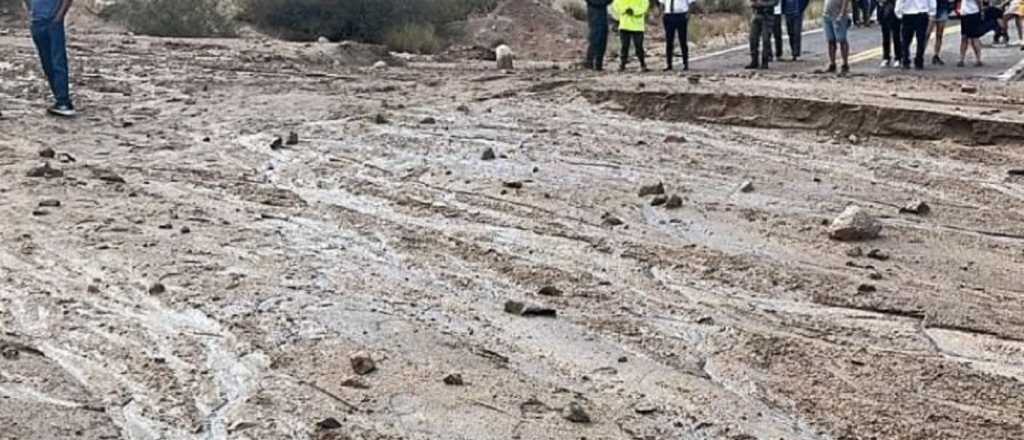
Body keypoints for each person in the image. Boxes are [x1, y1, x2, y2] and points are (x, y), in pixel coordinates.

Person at [27, 0, 76, 117]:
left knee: (58, 61)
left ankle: (64, 101)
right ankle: (59, 99)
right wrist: (31, 13)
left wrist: (58, 17)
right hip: (37, 22)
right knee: (47, 63)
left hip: (52, 21)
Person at [896, 0, 936, 70]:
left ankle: (908, 61)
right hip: (917, 13)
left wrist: (899, 13)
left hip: (910, 14)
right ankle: (916, 61)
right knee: (918, 40)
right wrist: (932, 12)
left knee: (907, 40)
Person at [614, 0, 650, 71]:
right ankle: (622, 64)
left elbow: (645, 6)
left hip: (637, 26)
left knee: (639, 46)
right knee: (624, 46)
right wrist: (625, 10)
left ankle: (642, 64)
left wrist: (633, 11)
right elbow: (616, 5)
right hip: (625, 25)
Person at [659, 0, 695, 71]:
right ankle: (669, 65)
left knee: (683, 40)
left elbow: (691, 2)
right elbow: (662, 3)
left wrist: (688, 13)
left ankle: (685, 64)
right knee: (669, 41)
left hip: (681, 15)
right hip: (668, 15)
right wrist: (662, 13)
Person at [747, 0, 781, 69]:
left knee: (766, 40)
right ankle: (754, 61)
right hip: (757, 15)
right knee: (753, 38)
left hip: (768, 16)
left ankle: (765, 61)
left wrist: (761, 4)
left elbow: (775, 2)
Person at [823, 0, 853, 74]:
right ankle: (832, 64)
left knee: (842, 40)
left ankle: (845, 64)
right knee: (830, 40)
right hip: (827, 14)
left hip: (838, 15)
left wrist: (842, 14)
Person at [585, 0, 614, 71]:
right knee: (595, 38)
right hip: (594, 14)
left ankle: (598, 64)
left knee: (602, 39)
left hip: (602, 14)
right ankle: (590, 63)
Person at [958, 0, 985, 65]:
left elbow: (979, 1)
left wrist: (981, 11)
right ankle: (961, 59)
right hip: (964, 13)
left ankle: (978, 59)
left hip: (973, 13)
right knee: (964, 37)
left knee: (974, 38)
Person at [879, 0, 904, 67]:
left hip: (894, 8)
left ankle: (898, 58)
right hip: (884, 9)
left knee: (896, 36)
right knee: (885, 36)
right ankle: (886, 57)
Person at [930, 0, 952, 65]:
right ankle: (920, 54)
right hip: (931, 7)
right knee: (926, 33)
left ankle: (936, 55)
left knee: (939, 35)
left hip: (942, 7)